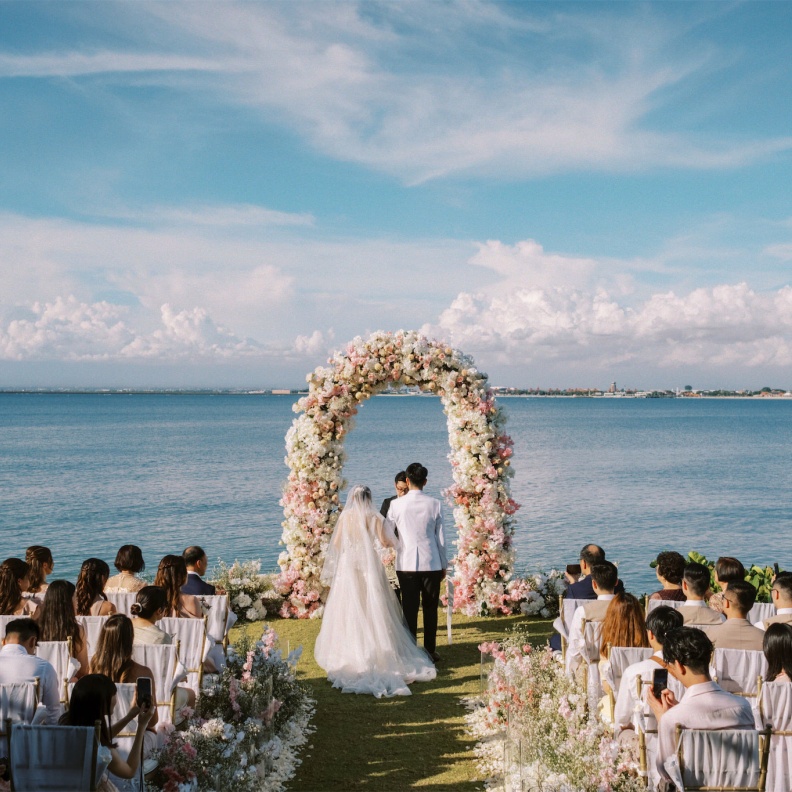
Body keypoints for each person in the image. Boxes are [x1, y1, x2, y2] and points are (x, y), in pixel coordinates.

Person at [314, 485, 436, 697]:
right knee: (373, 605)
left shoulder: (346, 517)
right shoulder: (374, 517)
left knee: (350, 605)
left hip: (349, 565)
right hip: (368, 564)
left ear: (353, 499)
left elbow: (337, 542)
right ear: (369, 499)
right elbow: (385, 541)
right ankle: (377, 647)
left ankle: (351, 649)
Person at [647, 627, 754, 785]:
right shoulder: (743, 707)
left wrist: (663, 719)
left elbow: (666, 773)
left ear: (679, 665)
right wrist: (677, 709)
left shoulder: (672, 719)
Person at [386, 462, 447, 662]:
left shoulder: (396, 505)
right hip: (432, 562)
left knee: (409, 609)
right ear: (425, 482)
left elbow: (387, 533)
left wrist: (398, 546)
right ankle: (430, 650)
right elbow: (441, 539)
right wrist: (444, 564)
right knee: (430, 608)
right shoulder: (435, 504)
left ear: (407, 480)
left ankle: (410, 651)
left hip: (406, 563)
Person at [60, 673, 155, 791]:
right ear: (101, 702)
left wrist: (128, 717)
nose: (116, 696)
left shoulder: (67, 723)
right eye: (113, 693)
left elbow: (101, 736)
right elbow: (129, 771)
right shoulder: (98, 747)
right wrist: (141, 726)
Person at [613, 606, 684, 732]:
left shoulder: (633, 672)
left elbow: (621, 719)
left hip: (645, 741)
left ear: (650, 634)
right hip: (684, 740)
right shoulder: (692, 672)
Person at [89, 615, 159, 741]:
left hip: (102, 738)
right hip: (134, 740)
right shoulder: (143, 673)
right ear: (130, 639)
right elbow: (152, 721)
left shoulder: (94, 666)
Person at [549, 544, 625, 652]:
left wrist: (574, 585)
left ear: (584, 563)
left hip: (586, 644)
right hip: (614, 640)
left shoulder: (575, 590)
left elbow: (568, 619)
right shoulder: (617, 584)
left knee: (554, 640)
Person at [0, 618, 61, 723]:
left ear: (3, 641)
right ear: (32, 641)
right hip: (27, 733)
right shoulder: (44, 668)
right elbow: (52, 714)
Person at [566, 561, 619, 675]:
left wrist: (570, 674)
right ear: (616, 582)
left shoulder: (583, 612)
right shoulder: (630, 609)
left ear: (594, 584)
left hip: (591, 673)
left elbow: (574, 649)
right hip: (621, 669)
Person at [37, 579, 89, 678]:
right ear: (68, 603)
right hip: (67, 682)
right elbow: (83, 670)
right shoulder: (76, 630)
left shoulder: (36, 629)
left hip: (41, 681)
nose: (77, 603)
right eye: (75, 598)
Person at [706, 580, 765, 650]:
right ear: (751, 606)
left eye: (723, 598)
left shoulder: (711, 636)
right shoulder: (763, 638)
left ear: (726, 603)